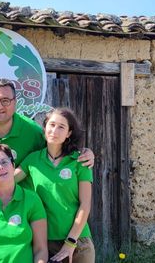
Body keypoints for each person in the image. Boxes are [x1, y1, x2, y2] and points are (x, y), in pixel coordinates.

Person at [16, 107, 95, 263]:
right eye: (51, 125)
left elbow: (85, 204)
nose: (54, 130)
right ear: (44, 128)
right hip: (46, 242)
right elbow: (6, 181)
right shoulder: (32, 160)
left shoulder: (80, 161)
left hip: (78, 241)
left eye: (61, 127)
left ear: (69, 134)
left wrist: (71, 241)